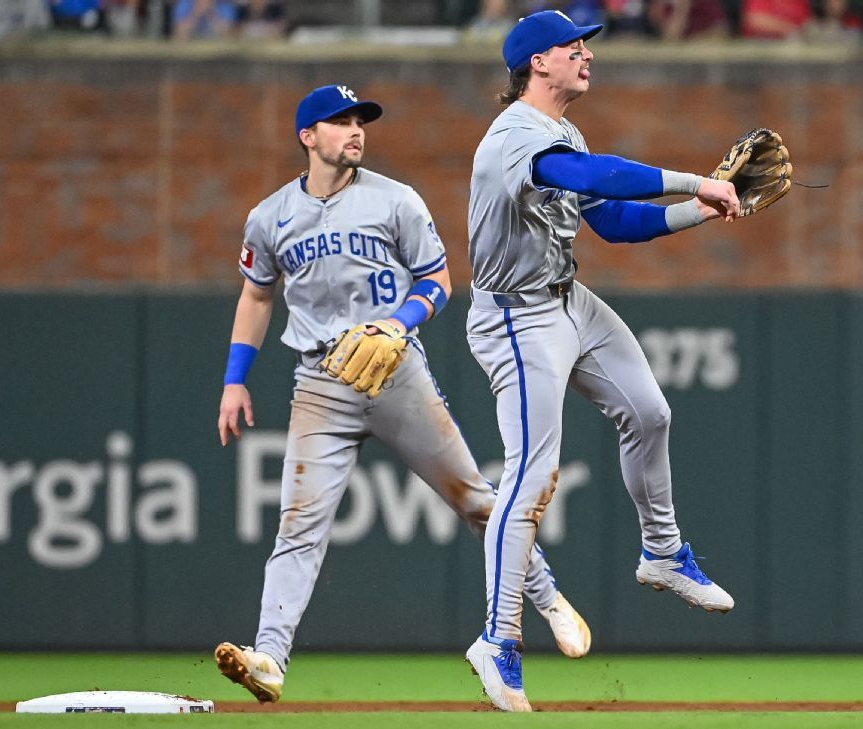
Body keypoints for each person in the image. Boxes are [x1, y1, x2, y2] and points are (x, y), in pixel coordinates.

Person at [213, 83, 591, 704]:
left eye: (360, 120)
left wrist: (399, 322)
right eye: (339, 122)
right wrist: (234, 379)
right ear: (307, 136)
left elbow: (438, 279)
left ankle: (547, 600)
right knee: (298, 525)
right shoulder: (271, 215)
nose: (355, 130)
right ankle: (270, 658)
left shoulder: (395, 201)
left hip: (395, 372)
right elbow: (257, 295)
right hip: (319, 380)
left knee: (474, 498)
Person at [463, 10, 740, 712]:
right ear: (536, 62)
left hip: (567, 297)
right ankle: (497, 640)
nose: (586, 53)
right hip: (516, 314)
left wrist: (700, 211)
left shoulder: (564, 130)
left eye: (587, 43)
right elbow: (589, 174)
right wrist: (691, 179)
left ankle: (662, 552)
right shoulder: (516, 136)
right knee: (531, 473)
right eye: (571, 45)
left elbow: (611, 219)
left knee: (650, 411)